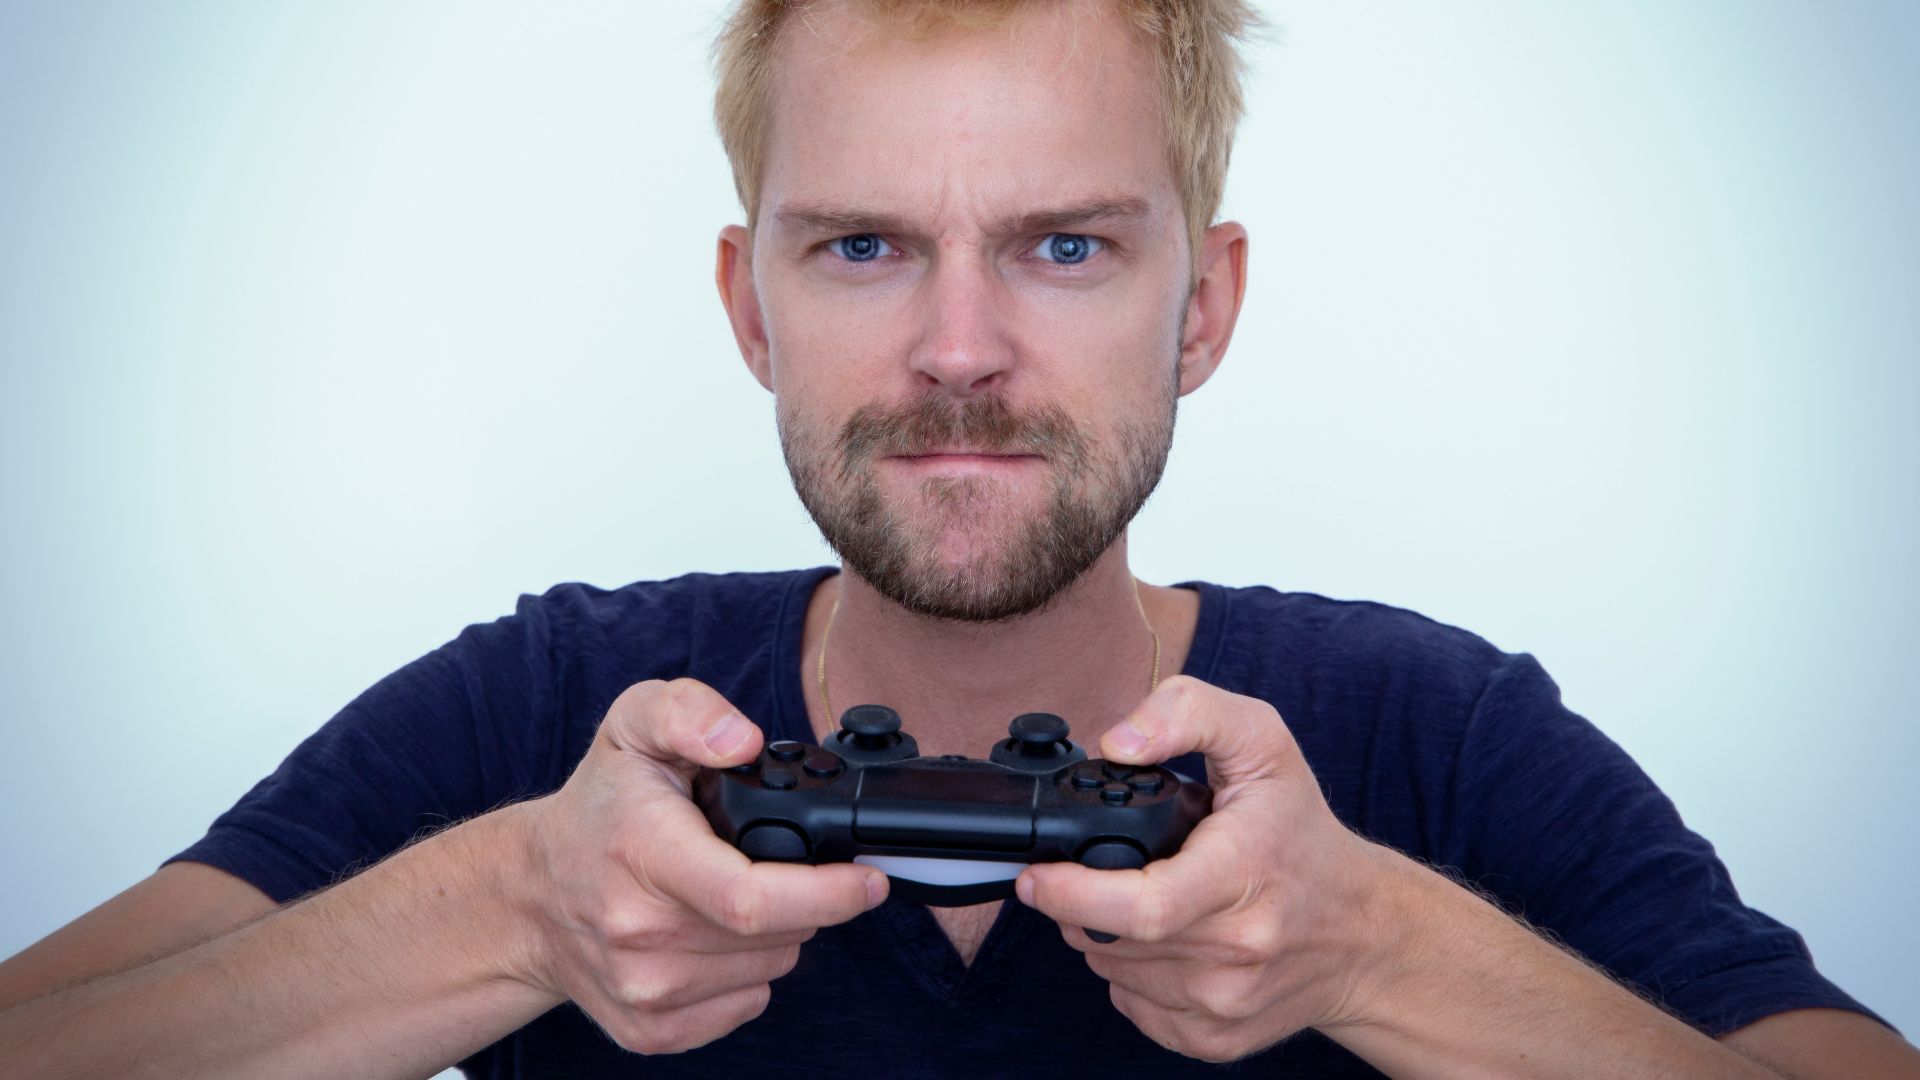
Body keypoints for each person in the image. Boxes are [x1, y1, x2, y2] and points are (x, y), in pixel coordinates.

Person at [0, 0, 1914, 1076]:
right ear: (752, 308)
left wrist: (1376, 949)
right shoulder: (550, 713)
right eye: (863, 246)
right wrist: (510, 906)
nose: (961, 351)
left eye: (1064, 245)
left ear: (1206, 307)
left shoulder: (1441, 737)